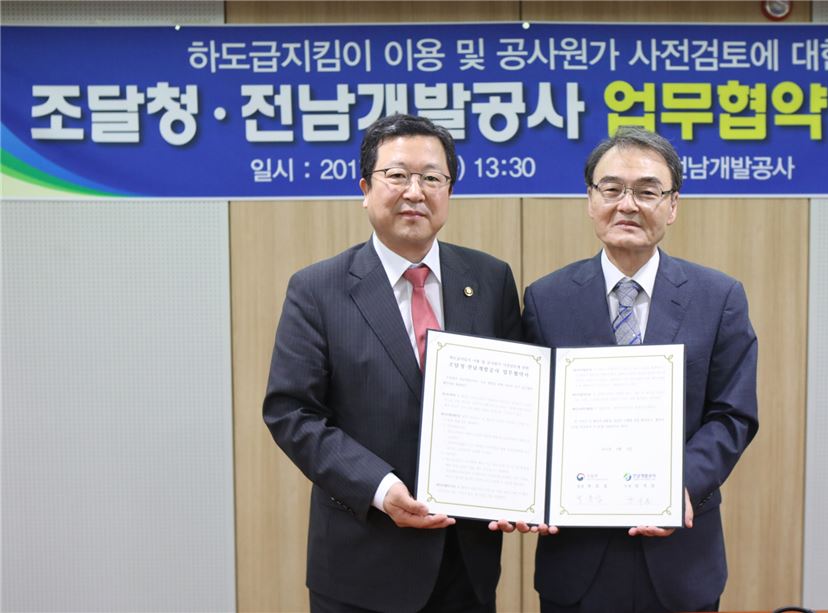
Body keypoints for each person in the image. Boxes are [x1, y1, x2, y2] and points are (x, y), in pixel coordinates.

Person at [264, 114, 523, 613]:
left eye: (432, 177)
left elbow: (518, 403)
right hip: (363, 561)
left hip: (466, 564)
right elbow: (291, 412)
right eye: (398, 175)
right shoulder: (317, 289)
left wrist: (520, 487)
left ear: (449, 190)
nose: (415, 192)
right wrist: (379, 488)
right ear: (365, 188)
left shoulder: (491, 279)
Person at [520, 128, 758, 613]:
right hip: (577, 559)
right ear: (591, 200)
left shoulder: (718, 297)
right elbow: (530, 416)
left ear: (672, 205)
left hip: (681, 559)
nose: (627, 205)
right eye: (612, 189)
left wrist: (676, 485)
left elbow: (732, 414)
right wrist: (529, 489)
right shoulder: (546, 299)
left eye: (647, 191)